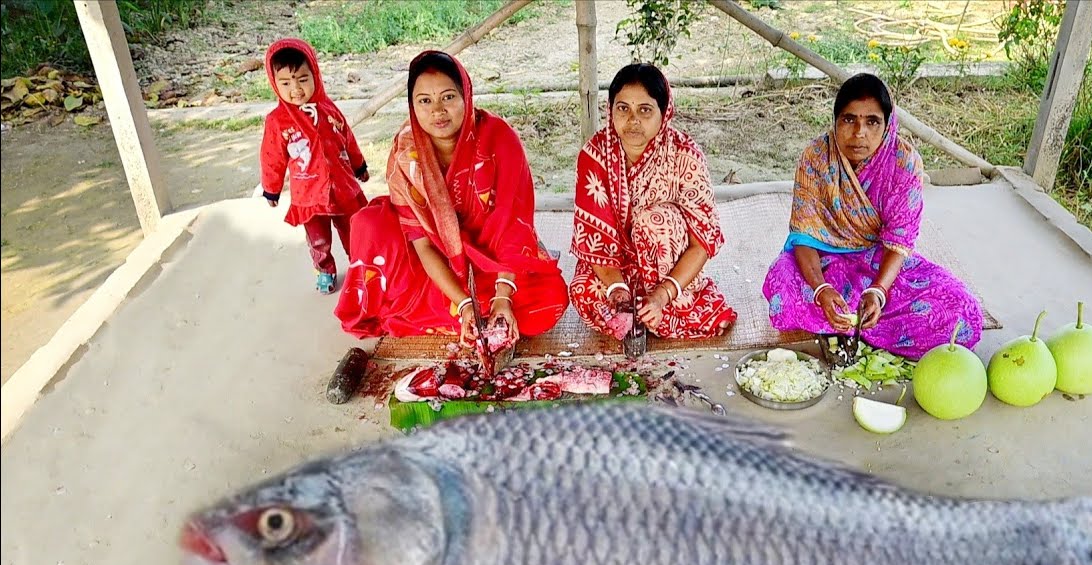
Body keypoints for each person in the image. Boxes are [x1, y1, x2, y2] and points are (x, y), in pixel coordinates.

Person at [334, 50, 569, 347]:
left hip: (493, 260)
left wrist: (503, 295)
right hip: (439, 265)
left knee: (551, 299)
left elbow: (513, 226)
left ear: (466, 96)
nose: (437, 111)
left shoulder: (499, 139)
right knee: (369, 225)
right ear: (412, 105)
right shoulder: (406, 154)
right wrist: (464, 304)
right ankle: (459, 312)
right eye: (425, 101)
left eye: (448, 97)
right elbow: (421, 245)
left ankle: (458, 313)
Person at [761, 73, 983, 361]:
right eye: (849, 119)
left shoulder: (903, 162)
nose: (859, 133)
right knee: (783, 286)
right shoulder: (816, 157)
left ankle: (850, 324)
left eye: (872, 122)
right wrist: (821, 289)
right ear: (836, 120)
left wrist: (878, 292)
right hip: (825, 261)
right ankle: (853, 321)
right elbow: (803, 236)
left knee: (960, 314)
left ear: (887, 123)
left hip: (879, 261)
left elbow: (899, 243)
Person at [569, 63, 737, 341]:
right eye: (623, 109)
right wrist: (617, 291)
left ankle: (658, 309)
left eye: (645, 110)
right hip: (615, 266)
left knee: (653, 221)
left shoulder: (685, 156)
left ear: (664, 112)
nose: (633, 121)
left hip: (666, 267)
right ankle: (635, 312)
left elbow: (702, 244)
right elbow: (593, 239)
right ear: (610, 110)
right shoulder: (594, 155)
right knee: (582, 291)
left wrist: (661, 296)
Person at [260, 38, 370, 294]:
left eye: (302, 79)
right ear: (274, 84)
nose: (296, 89)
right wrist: (271, 188)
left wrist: (359, 165)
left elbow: (347, 139)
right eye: (286, 83)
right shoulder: (278, 122)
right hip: (309, 195)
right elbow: (271, 157)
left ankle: (362, 268)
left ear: (315, 76)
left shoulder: (330, 110)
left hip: (342, 187)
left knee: (354, 231)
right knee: (318, 239)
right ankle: (324, 270)